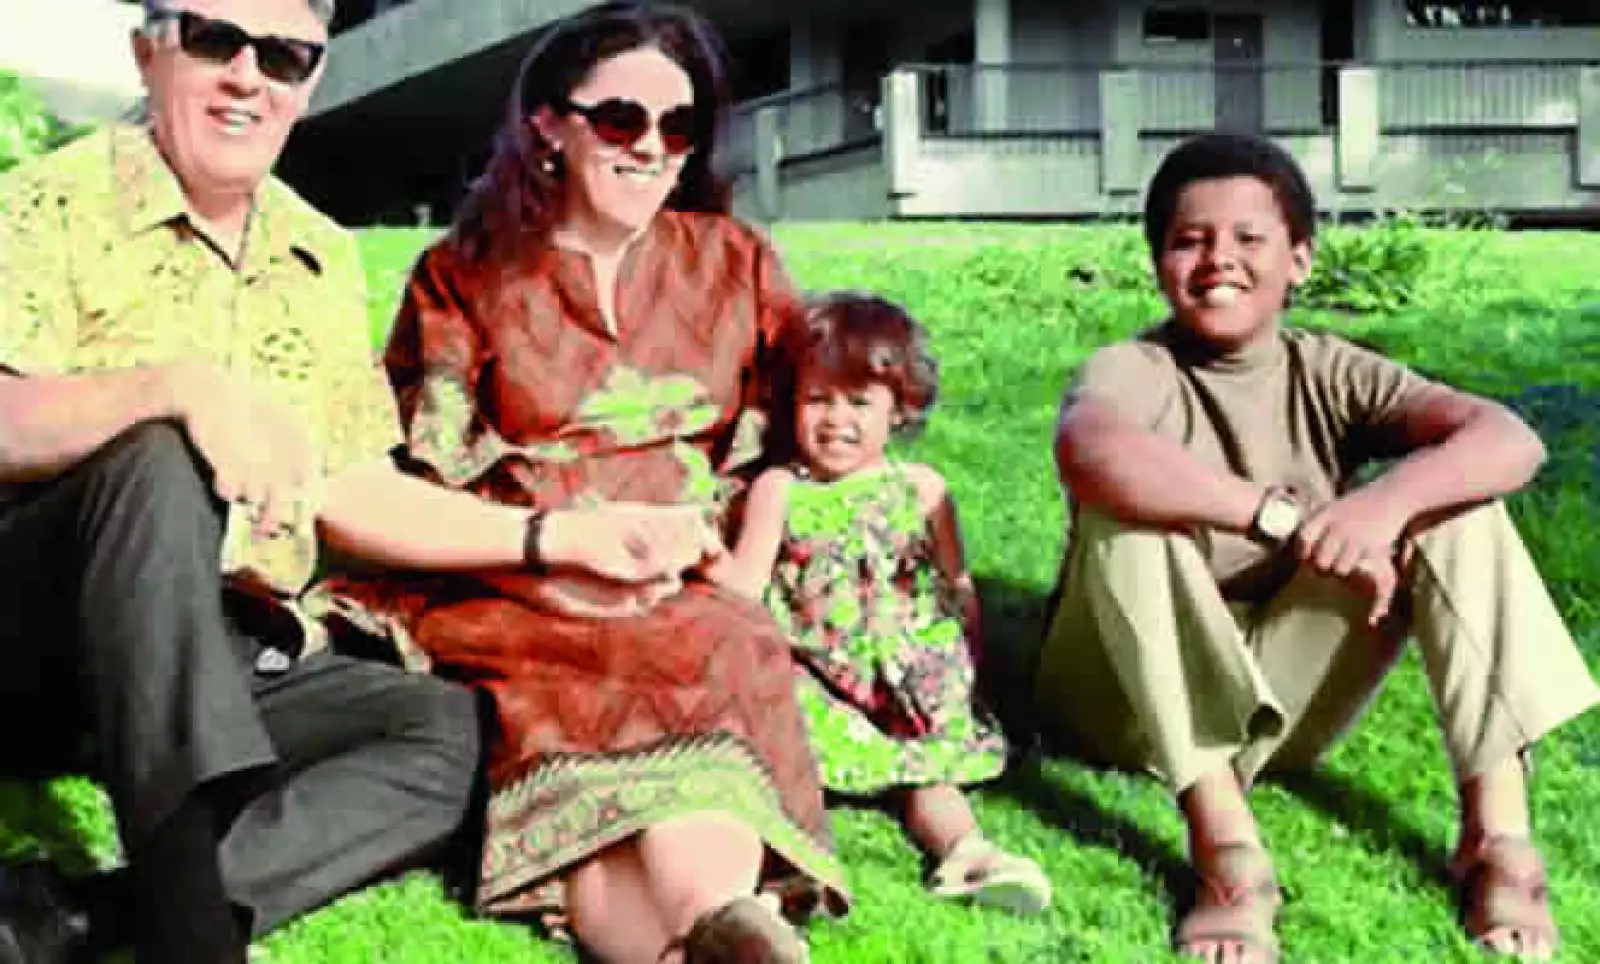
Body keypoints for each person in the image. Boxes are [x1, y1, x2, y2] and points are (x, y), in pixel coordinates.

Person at [0, 1, 702, 960]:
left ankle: (84, 918)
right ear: (147, 51)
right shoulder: (46, 202)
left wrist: (558, 536)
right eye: (216, 40)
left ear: (311, 81)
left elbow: (354, 486)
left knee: (452, 733)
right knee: (159, 459)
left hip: (233, 645)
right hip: (47, 631)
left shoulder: (318, 254)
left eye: (284, 57)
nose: (250, 76)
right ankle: (187, 930)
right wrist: (170, 388)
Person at [319, 3, 850, 962]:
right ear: (549, 125)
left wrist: (734, 556)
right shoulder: (463, 278)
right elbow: (428, 469)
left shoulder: (738, 264)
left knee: (716, 635)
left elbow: (793, 445)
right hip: (525, 581)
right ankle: (731, 928)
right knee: (629, 648)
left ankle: (710, 931)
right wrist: (556, 561)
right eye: (621, 120)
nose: (652, 147)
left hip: (692, 574)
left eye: (677, 127)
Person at [1032, 132, 1599, 964]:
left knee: (1458, 507)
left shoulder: (1330, 370)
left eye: (1248, 238)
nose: (1217, 259)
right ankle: (1228, 857)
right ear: (1158, 261)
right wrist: (1283, 520)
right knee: (1128, 520)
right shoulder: (1136, 368)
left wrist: (1381, 508)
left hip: (1273, 703)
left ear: (1299, 259)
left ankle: (1500, 840)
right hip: (1124, 708)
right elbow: (1089, 446)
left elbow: (1509, 439)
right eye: (1189, 240)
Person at [704, 292, 1052, 915]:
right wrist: (700, 550)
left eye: (860, 402)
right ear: (791, 404)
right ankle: (780, 877)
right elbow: (745, 587)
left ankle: (969, 853)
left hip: (906, 678)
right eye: (818, 399)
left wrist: (962, 667)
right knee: (784, 766)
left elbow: (957, 586)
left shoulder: (920, 489)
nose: (837, 419)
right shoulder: (779, 490)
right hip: (817, 675)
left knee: (927, 776)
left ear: (899, 410)